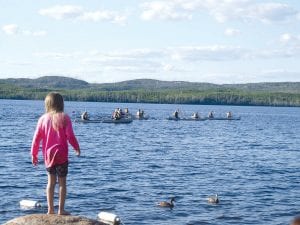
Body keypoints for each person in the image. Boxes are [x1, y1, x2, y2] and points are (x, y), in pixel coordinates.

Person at [31, 92, 80, 215]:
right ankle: (61, 210)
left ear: (47, 104)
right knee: (62, 183)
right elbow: (70, 136)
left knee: (51, 183)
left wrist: (34, 154)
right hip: (62, 155)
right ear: (61, 104)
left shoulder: (42, 119)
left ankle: (50, 209)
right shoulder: (65, 117)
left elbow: (36, 138)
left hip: (48, 156)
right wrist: (76, 147)